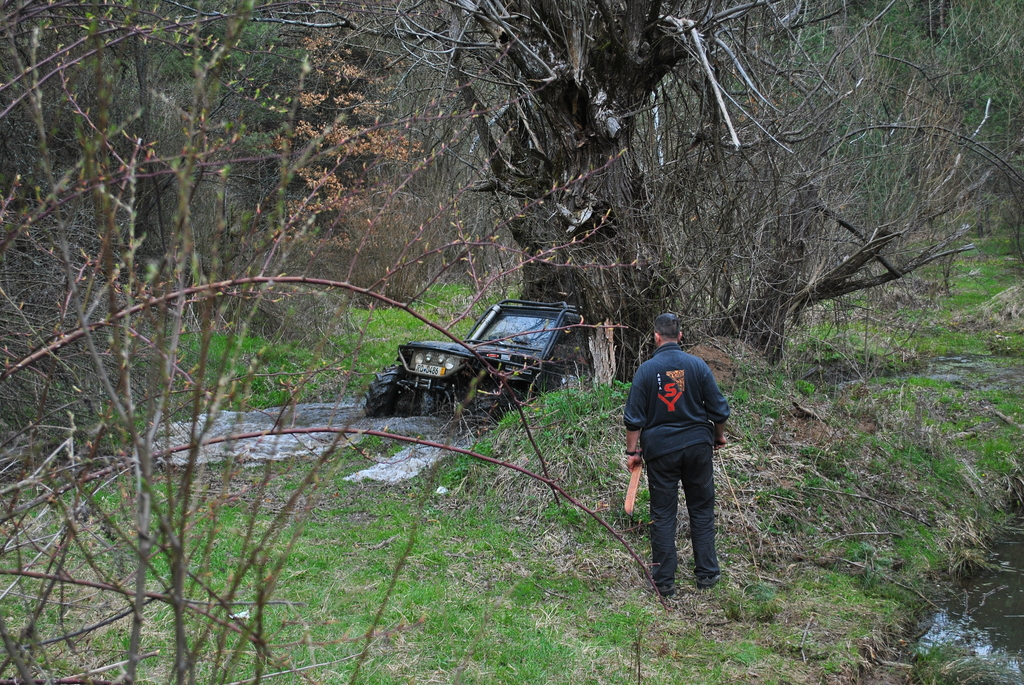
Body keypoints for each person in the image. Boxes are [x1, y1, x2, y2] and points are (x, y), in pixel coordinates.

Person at [623, 313, 730, 597]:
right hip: (698, 448)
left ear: (656, 337)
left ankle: (664, 582)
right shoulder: (697, 366)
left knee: (662, 515)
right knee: (702, 510)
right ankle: (707, 575)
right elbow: (719, 411)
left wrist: (632, 452)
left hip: (661, 453)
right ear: (680, 336)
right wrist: (718, 436)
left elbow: (633, 419)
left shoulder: (646, 371)